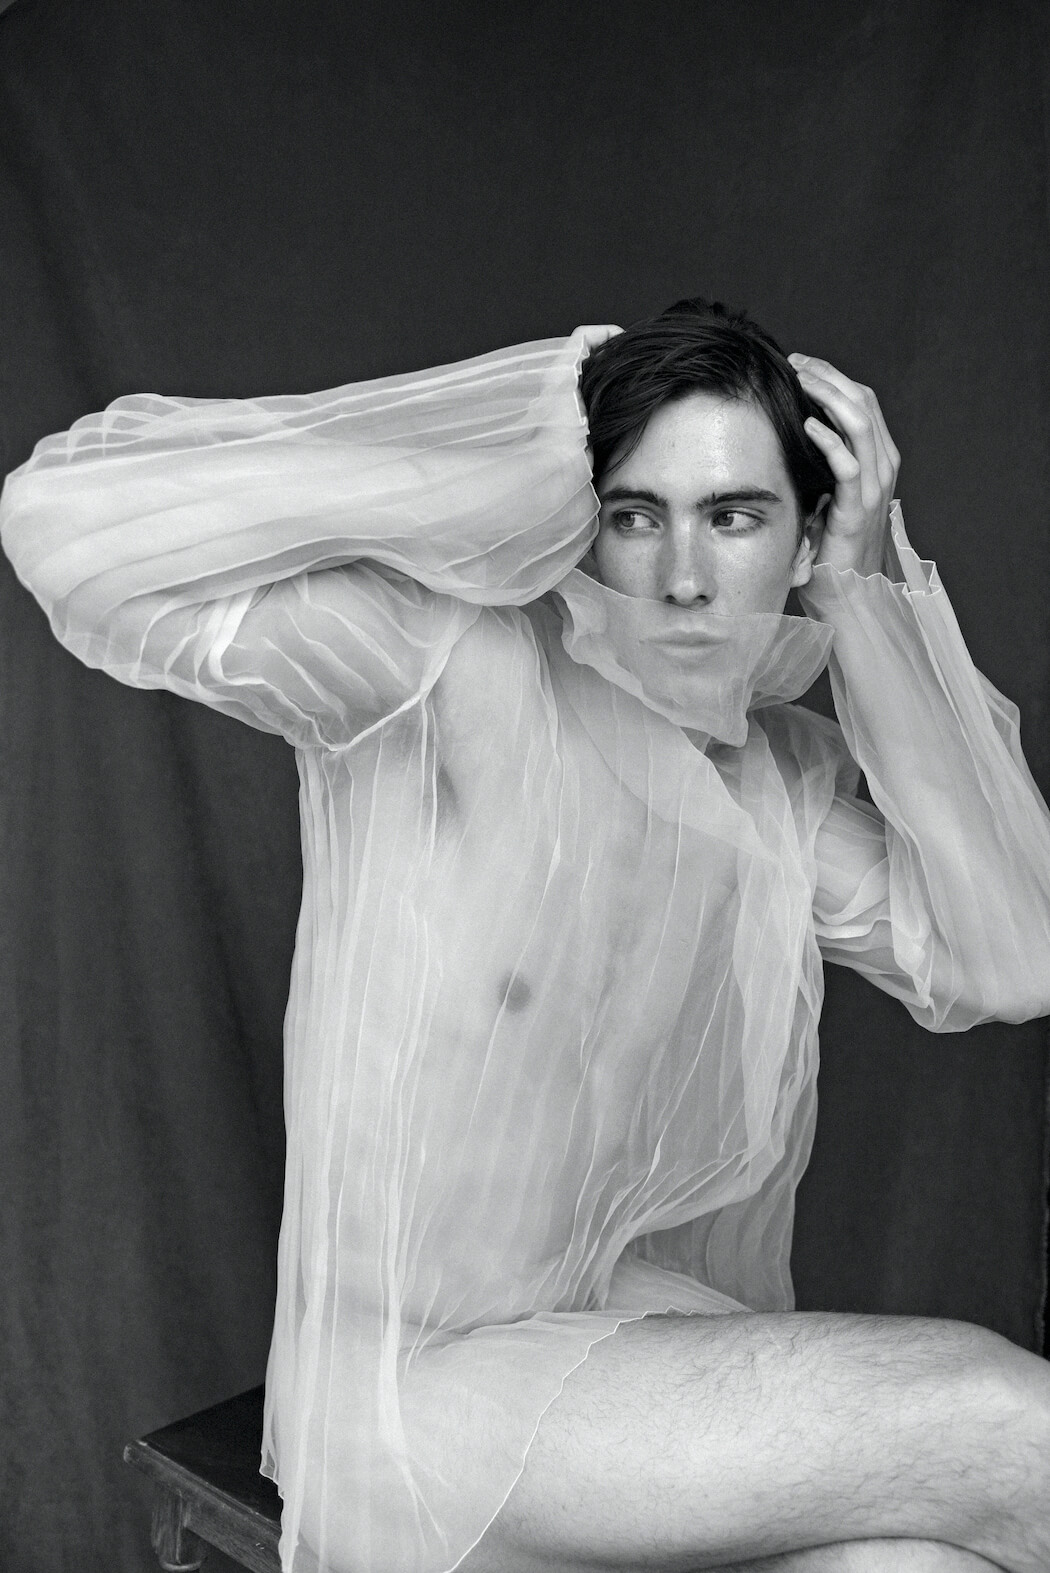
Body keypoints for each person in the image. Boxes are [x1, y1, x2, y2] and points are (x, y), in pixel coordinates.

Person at [3, 298, 1050, 1573]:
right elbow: (64, 529)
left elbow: (1013, 961)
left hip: (620, 1363)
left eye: (734, 516)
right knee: (1005, 1418)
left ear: (802, 540)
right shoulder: (451, 671)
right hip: (409, 1403)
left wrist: (868, 582)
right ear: (581, 521)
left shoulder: (778, 783)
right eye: (635, 515)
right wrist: (509, 448)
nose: (682, 574)